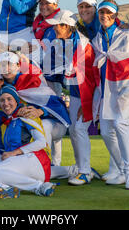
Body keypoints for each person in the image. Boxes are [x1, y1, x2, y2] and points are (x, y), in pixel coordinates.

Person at [91, 0, 129, 189]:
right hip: (107, 90)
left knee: (121, 124)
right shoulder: (98, 37)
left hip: (128, 88)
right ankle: (122, 169)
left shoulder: (126, 34)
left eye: (109, 13)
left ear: (115, 16)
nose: (105, 16)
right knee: (105, 132)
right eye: (102, 13)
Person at [0, 85, 56, 199]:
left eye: (9, 99)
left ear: (17, 101)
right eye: (2, 100)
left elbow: (41, 142)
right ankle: (3, 189)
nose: (5, 103)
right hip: (19, 164)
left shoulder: (25, 114)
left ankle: (39, 187)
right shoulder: (7, 121)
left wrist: (14, 152)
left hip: (35, 160)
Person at [45, 10, 99, 185]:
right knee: (75, 131)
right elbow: (53, 71)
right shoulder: (62, 43)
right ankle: (82, 168)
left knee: (80, 130)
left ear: (67, 27)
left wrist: (87, 103)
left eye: (57, 25)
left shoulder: (83, 45)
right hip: (76, 92)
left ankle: (85, 171)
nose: (54, 28)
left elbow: (89, 78)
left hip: (90, 92)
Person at [0, 51, 71, 167]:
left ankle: (44, 164)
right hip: (25, 126)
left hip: (51, 123)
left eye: (9, 64)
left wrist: (41, 111)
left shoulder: (30, 79)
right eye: (2, 65)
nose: (6, 68)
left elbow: (56, 103)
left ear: (18, 66)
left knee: (44, 124)